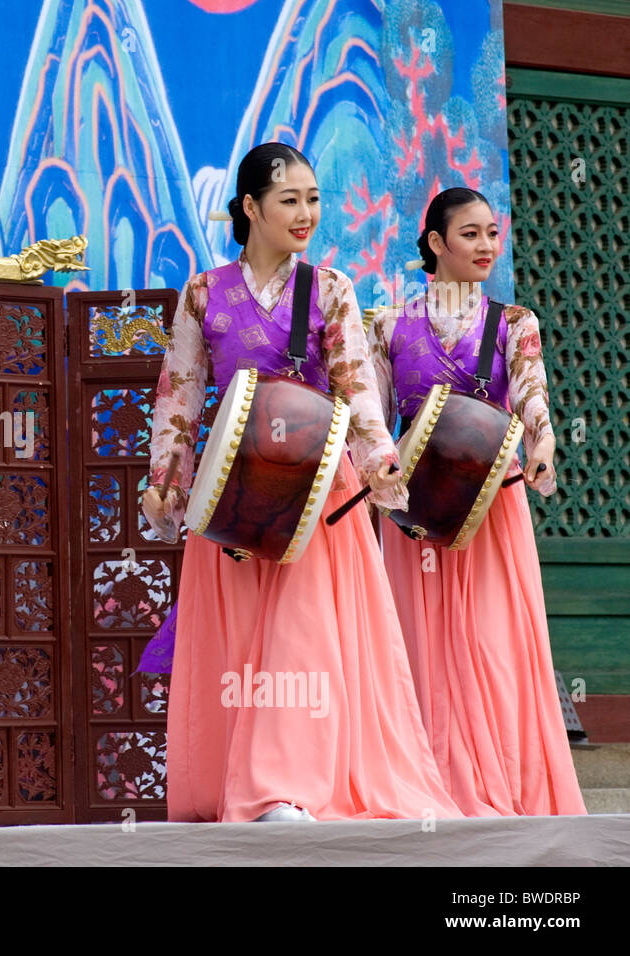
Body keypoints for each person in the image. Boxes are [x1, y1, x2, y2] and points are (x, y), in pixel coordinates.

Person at [141, 143, 460, 823]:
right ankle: (232, 784)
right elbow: (182, 393)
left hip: (315, 486)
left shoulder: (333, 289)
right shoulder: (204, 294)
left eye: (314, 198)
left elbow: (354, 385)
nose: (306, 212)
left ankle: (286, 786)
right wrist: (167, 479)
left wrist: (378, 458)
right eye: (290, 199)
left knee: (301, 634)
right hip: (234, 485)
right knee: (236, 637)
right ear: (251, 207)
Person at [367, 187, 586, 816]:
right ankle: (428, 781)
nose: (487, 245)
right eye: (470, 234)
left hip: (492, 504)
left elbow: (532, 397)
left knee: (494, 644)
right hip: (415, 510)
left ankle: (504, 780)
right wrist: (382, 480)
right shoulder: (388, 326)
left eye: (492, 232)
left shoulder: (514, 323)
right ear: (435, 244)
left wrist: (542, 446)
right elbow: (378, 423)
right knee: (418, 644)